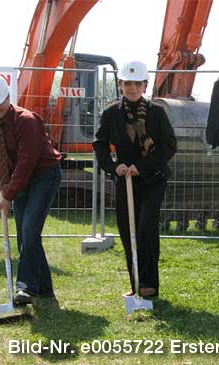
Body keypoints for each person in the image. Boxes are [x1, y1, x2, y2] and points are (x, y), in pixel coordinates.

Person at [93, 60, 178, 299]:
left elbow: (169, 147)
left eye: (136, 83)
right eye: (127, 83)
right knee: (126, 229)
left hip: (153, 179)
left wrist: (140, 167)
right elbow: (99, 145)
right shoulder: (111, 113)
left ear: (145, 85)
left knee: (145, 227)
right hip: (124, 180)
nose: (132, 88)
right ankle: (136, 282)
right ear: (120, 84)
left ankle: (149, 283)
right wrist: (113, 167)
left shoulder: (157, 113)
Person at [0, 72, 62, 304]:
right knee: (25, 235)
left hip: (43, 175)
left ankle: (25, 288)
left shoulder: (27, 121)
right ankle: (45, 289)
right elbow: (2, 159)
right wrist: (5, 184)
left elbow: (26, 162)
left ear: (8, 98)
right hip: (21, 178)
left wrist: (8, 194)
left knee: (30, 231)